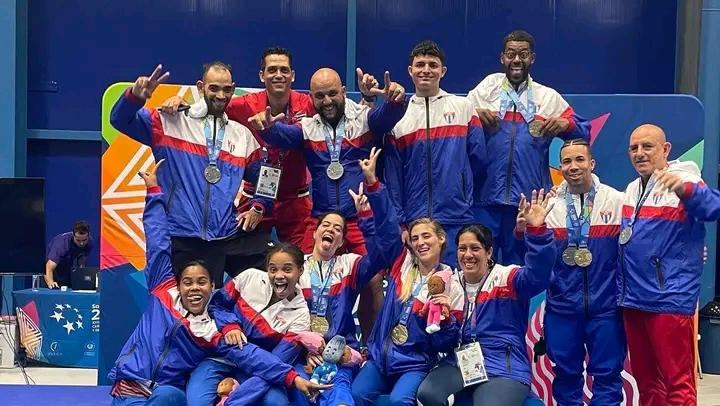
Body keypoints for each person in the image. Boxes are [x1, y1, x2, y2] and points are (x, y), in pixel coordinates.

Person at [109, 159, 327, 406]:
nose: (194, 288)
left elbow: (251, 355)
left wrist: (293, 378)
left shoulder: (213, 331)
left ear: (213, 287)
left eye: (202, 282)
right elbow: (158, 242)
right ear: (178, 284)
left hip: (168, 393)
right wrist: (153, 193)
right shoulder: (162, 291)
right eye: (188, 282)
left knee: (168, 397)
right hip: (129, 388)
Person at [247, 67, 408, 345]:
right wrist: (268, 126)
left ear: (344, 92)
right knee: (303, 277)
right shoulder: (307, 128)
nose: (327, 101)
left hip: (358, 219)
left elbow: (386, 117)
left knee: (372, 282)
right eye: (320, 96)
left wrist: (395, 100)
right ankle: (307, 343)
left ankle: (372, 348)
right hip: (322, 221)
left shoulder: (362, 119)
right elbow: (280, 136)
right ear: (311, 98)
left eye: (333, 93)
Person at [109, 63, 274, 287]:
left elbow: (268, 177)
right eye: (214, 88)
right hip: (179, 235)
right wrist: (135, 97)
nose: (221, 95)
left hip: (222, 236)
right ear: (200, 87)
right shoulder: (170, 121)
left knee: (241, 295)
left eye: (227, 89)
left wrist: (258, 206)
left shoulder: (242, 135)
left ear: (233, 89)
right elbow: (120, 120)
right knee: (178, 311)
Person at [160, 47, 315, 247]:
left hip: (296, 200)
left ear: (292, 75)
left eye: (284, 70)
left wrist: (367, 99)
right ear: (262, 75)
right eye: (272, 69)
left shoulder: (309, 105)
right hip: (254, 198)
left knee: (303, 261)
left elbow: (337, 110)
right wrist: (183, 104)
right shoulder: (242, 105)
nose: (278, 75)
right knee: (245, 260)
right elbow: (211, 107)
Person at [415, 189, 556, 406]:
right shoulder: (449, 284)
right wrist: (446, 322)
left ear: (489, 252)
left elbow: (540, 274)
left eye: (475, 248)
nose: (468, 255)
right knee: (427, 394)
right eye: (462, 249)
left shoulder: (507, 278)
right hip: (461, 362)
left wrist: (536, 231)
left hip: (503, 365)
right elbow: (440, 343)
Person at [289, 147, 402, 406]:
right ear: (315, 234)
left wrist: (367, 211)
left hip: (342, 353)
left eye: (337, 229)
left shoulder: (349, 265)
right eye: (326, 226)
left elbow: (387, 250)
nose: (331, 230)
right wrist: (304, 350)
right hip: (301, 355)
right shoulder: (295, 268)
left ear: (341, 241)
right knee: (297, 394)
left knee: (340, 393)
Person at [467, 30, 591, 266]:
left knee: (521, 274)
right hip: (483, 200)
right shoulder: (483, 92)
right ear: (502, 58)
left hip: (527, 203)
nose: (516, 60)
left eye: (523, 54)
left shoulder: (548, 97)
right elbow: (458, 127)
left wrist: (568, 123)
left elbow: (584, 131)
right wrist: (473, 117)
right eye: (511, 54)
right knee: (479, 270)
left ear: (532, 58)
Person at [619, 124, 720, 406]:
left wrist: (687, 190)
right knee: (648, 384)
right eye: (634, 147)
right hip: (635, 300)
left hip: (670, 301)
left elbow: (713, 207)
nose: (640, 153)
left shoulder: (683, 178)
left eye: (647, 146)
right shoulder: (631, 189)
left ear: (666, 149)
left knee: (678, 385)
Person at [533, 139, 626, 405]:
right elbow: (535, 260)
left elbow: (641, 243)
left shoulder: (617, 201)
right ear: (560, 167)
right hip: (562, 309)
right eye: (567, 161)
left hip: (606, 308)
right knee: (565, 376)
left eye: (579, 160)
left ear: (592, 163)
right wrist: (528, 230)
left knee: (608, 377)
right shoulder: (548, 206)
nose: (573, 166)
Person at [383, 40, 486, 269]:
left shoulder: (463, 108)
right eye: (420, 64)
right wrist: (401, 222)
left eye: (433, 64)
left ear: (443, 71)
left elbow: (478, 159)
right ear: (410, 71)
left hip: (456, 216)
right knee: (417, 290)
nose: (426, 70)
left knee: (456, 289)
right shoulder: (399, 117)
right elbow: (393, 177)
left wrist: (461, 189)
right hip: (416, 221)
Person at [350, 217, 465, 406]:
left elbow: (445, 344)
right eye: (415, 238)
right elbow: (385, 231)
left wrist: (446, 321)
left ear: (441, 238)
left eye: (426, 236)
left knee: (399, 401)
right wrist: (372, 196)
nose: (420, 243)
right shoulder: (402, 264)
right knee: (356, 394)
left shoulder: (451, 285)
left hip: (414, 364)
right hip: (380, 359)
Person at [185, 242, 312, 406]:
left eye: (287, 269)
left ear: (300, 271)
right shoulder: (249, 277)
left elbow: (275, 363)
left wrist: (233, 402)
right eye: (273, 269)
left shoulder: (301, 316)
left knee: (276, 403)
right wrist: (230, 325)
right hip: (220, 358)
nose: (279, 275)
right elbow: (216, 305)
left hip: (259, 370)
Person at [44, 221, 93, 288]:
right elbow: (48, 267)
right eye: (78, 240)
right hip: (49, 268)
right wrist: (50, 282)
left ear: (89, 235)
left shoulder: (89, 242)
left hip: (67, 267)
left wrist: (82, 274)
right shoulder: (61, 244)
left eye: (84, 240)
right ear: (73, 235)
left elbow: (81, 256)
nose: (82, 243)